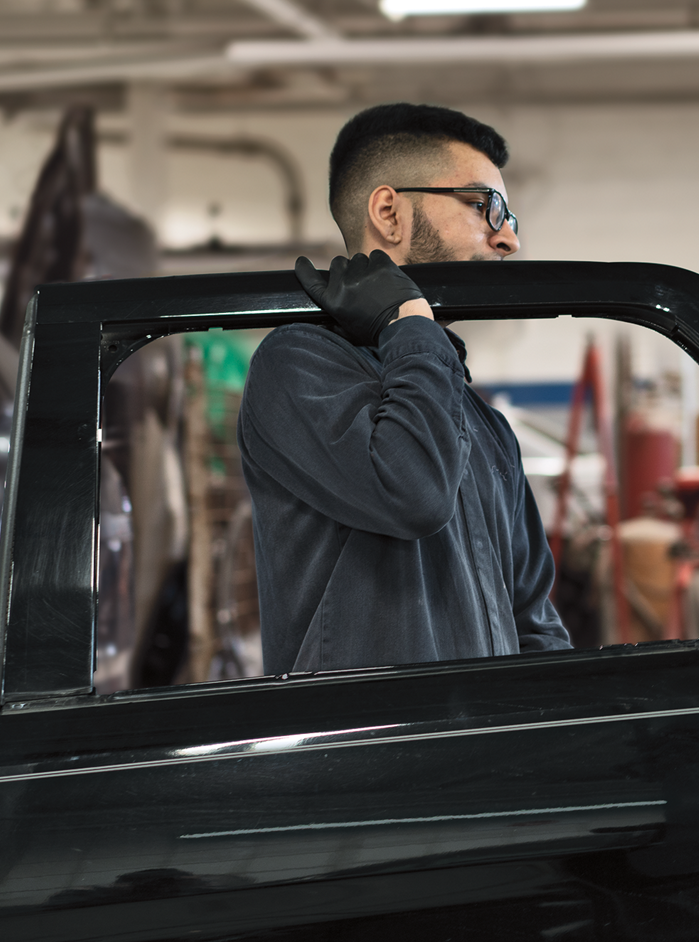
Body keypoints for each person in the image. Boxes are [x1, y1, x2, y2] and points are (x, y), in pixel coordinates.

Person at [237, 103, 571, 674]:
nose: (508, 238)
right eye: (483, 207)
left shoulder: (480, 420)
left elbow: (534, 623)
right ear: (390, 214)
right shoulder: (298, 366)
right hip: (372, 756)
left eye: (510, 216)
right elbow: (412, 492)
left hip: (487, 752)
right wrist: (412, 324)